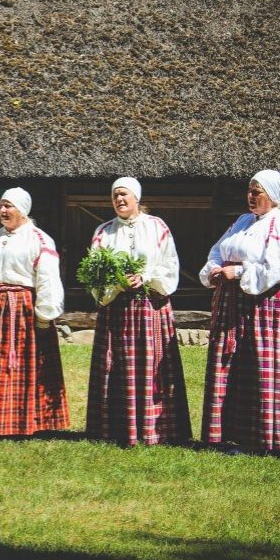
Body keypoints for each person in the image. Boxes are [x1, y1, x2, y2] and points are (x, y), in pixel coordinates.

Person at [199, 169, 280, 455]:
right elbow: (217, 250)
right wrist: (214, 269)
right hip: (234, 305)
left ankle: (270, 440)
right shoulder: (243, 221)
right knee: (232, 365)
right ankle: (231, 435)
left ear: (273, 196)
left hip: (266, 307)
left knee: (263, 369)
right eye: (249, 190)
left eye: (257, 191)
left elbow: (276, 268)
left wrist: (237, 271)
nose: (251, 196)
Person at [86, 177, 192, 446]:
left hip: (149, 306)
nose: (119, 200)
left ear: (136, 198)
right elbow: (95, 273)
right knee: (117, 365)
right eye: (115, 196)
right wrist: (115, 284)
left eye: (124, 195)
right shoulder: (103, 232)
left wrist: (145, 276)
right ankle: (117, 428)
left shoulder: (157, 227)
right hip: (116, 309)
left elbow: (170, 264)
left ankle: (157, 430)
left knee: (153, 365)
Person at [0, 187, 69, 436]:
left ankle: (21, 422)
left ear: (22, 210)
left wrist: (45, 314)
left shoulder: (39, 239)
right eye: (1, 205)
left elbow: (48, 279)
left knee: (16, 365)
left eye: (8, 206)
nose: (2, 210)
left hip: (19, 311)